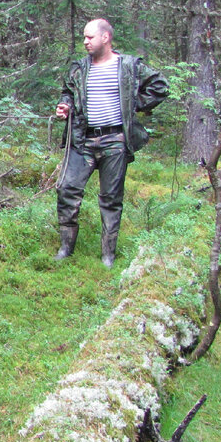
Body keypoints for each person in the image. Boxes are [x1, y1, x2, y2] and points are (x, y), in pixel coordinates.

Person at [53, 18, 169, 267]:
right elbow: (68, 92)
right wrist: (66, 106)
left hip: (115, 140)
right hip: (82, 140)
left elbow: (160, 87)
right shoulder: (79, 68)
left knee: (111, 198)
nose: (85, 42)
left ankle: (108, 255)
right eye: (84, 37)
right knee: (67, 189)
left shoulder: (129, 66)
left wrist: (133, 104)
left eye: (90, 37)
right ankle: (65, 248)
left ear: (105, 38)